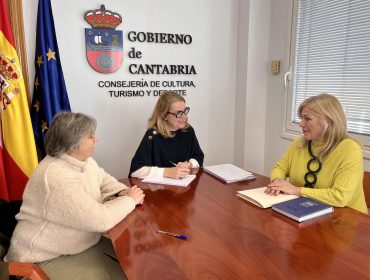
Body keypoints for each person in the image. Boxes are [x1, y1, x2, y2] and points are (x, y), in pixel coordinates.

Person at [5, 112, 145, 279]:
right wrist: (130, 200)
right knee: (127, 273)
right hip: (40, 259)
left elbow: (103, 179)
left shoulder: (83, 161)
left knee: (133, 261)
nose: (96, 139)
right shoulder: (55, 176)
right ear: (72, 144)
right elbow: (101, 220)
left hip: (78, 244)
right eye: (90, 136)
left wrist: (122, 191)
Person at [265, 93, 367, 214]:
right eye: (301, 118)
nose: (301, 124)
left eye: (307, 118)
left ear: (328, 120)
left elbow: (340, 197)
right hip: (306, 211)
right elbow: (280, 168)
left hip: (347, 219)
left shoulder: (350, 149)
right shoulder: (299, 143)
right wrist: (278, 182)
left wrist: (296, 190)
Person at [129, 91, 204, 179]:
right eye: (178, 113)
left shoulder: (188, 130)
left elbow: (199, 156)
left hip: (184, 186)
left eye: (185, 111)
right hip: (159, 189)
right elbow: (136, 171)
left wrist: (189, 164)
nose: (184, 116)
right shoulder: (153, 135)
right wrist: (167, 172)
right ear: (164, 115)